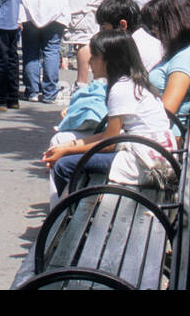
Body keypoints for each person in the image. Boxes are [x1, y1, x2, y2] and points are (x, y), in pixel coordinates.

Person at [42, 29, 174, 198]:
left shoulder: (121, 89)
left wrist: (67, 152)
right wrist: (69, 146)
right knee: (67, 156)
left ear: (109, 60)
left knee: (64, 166)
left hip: (148, 164)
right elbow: (109, 135)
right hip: (153, 155)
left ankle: (70, 218)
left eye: (95, 56)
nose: (90, 62)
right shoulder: (131, 82)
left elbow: (109, 143)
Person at [142, 0, 190, 136]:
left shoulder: (184, 61)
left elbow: (166, 113)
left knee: (80, 158)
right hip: (152, 134)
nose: (154, 31)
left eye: (157, 25)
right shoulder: (186, 50)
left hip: (158, 141)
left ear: (172, 24)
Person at [96, 0, 163, 72]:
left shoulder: (132, 52)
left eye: (104, 28)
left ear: (122, 25)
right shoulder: (149, 41)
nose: (101, 33)